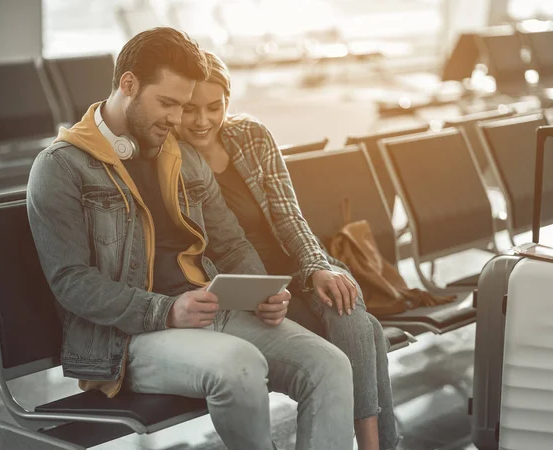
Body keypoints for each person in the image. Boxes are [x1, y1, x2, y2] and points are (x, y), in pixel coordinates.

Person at [26, 27, 354, 450]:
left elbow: (231, 242)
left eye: (181, 105)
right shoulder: (61, 167)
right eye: (167, 103)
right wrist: (167, 311)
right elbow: (71, 280)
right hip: (127, 341)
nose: (177, 119)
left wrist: (259, 290)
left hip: (205, 313)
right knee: (238, 364)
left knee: (329, 364)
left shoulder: (182, 156)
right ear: (128, 84)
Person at [174, 50, 402, 450]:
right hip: (247, 291)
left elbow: (290, 217)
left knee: (345, 301)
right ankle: (377, 445)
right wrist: (257, 292)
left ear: (228, 100)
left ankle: (370, 445)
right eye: (190, 109)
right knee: (365, 329)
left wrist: (317, 266)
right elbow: (204, 251)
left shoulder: (251, 136)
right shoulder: (173, 159)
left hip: (296, 271)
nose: (202, 120)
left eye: (215, 107)